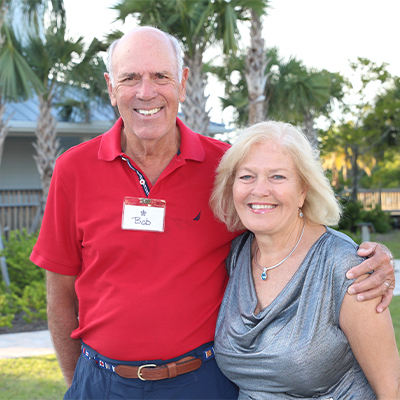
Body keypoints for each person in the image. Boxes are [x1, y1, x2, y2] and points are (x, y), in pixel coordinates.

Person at [29, 27, 394, 400]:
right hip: (100, 382)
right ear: (111, 87)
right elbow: (60, 292)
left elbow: (283, 221)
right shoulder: (73, 169)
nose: (146, 92)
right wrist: (78, 382)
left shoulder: (228, 168)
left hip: (199, 382)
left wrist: (362, 260)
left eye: (160, 76)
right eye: (130, 78)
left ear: (184, 83)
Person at [210, 121, 400, 399]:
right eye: (247, 176)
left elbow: (391, 387)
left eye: (277, 177)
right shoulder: (236, 255)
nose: (259, 190)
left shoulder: (347, 267)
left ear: (303, 191)